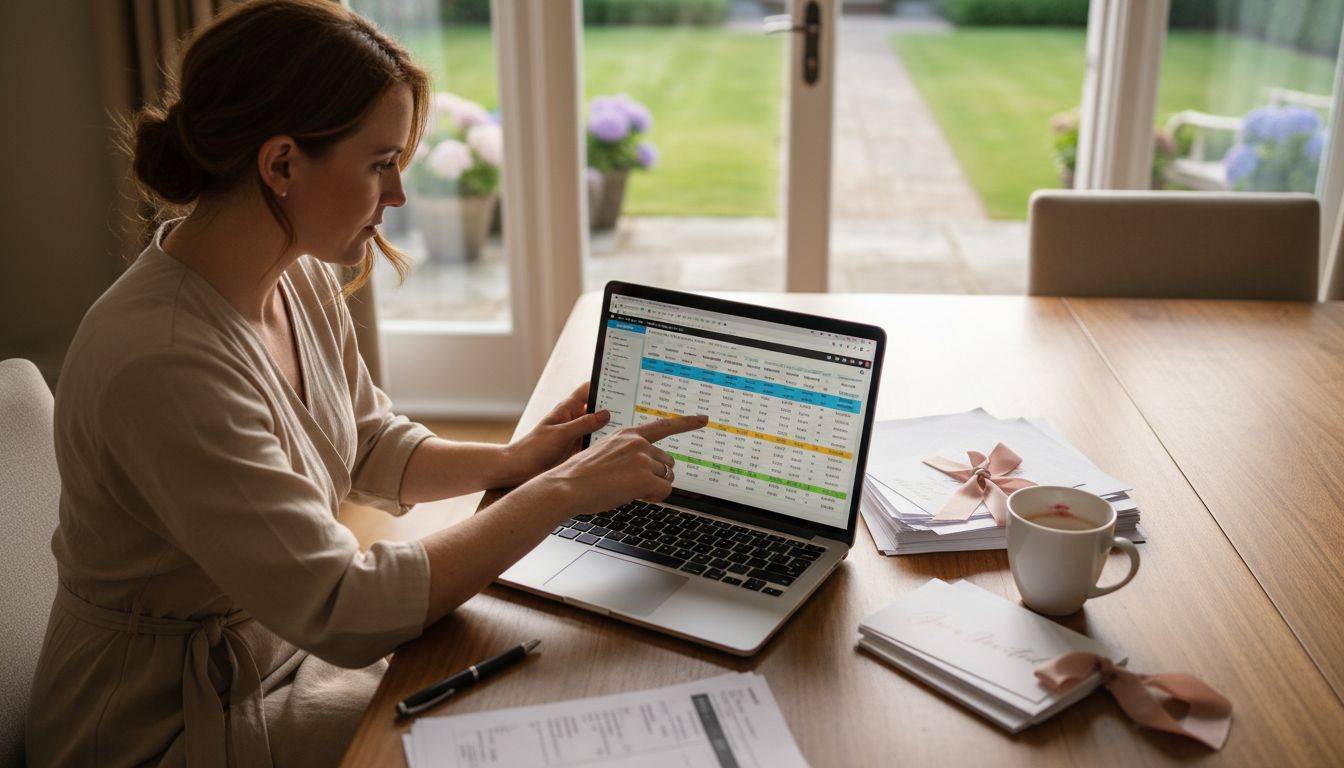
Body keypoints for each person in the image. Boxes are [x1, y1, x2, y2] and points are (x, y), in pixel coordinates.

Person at [25, 1, 706, 765]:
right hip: (160, 723)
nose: (399, 198)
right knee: (512, 723)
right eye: (381, 164)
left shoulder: (295, 276)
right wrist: (564, 492)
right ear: (280, 164)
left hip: (281, 651)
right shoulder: (165, 362)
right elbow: (343, 605)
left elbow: (367, 441)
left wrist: (520, 463)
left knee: (526, 677)